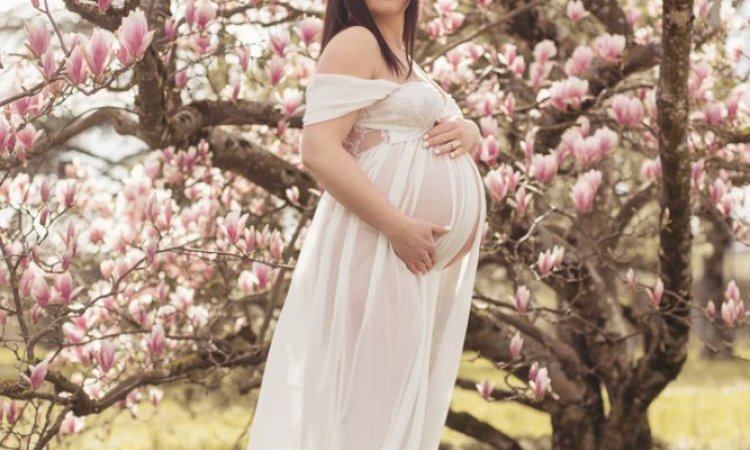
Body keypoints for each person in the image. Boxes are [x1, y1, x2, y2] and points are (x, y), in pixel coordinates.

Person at [245, 0, 487, 447]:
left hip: (407, 258)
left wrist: (469, 130)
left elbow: (429, 123)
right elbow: (319, 149)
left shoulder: (407, 60)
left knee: (387, 405)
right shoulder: (357, 41)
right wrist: (397, 226)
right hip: (378, 246)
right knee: (369, 409)